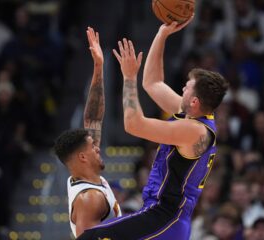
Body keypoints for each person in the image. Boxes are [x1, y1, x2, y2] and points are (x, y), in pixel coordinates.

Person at [78, 17, 229, 240]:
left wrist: (128, 78)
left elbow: (133, 124)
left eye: (186, 88)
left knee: (91, 238)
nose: (182, 89)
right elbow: (153, 83)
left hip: (165, 218)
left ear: (195, 101)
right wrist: (162, 34)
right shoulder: (193, 115)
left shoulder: (194, 131)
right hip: (163, 218)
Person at [53, 27, 121, 238]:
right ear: (82, 156)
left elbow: (92, 118)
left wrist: (99, 67)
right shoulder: (89, 199)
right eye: (93, 146)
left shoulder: (87, 182)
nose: (98, 147)